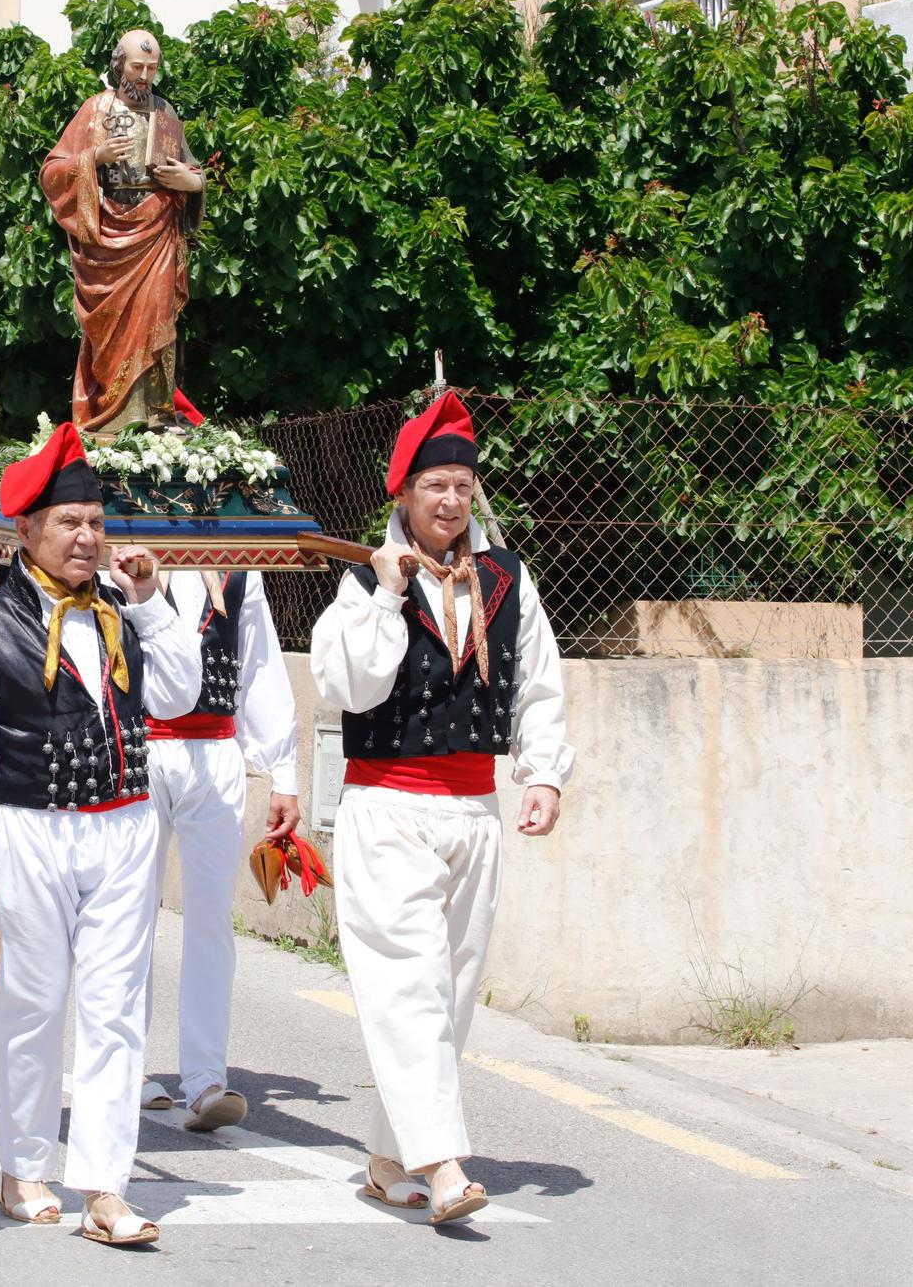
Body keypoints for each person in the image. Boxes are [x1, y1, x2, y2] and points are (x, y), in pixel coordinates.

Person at [0, 421, 199, 1246]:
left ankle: (105, 1185)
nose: (87, 537)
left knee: (117, 1011)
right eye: (69, 522)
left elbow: (181, 695)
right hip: (28, 831)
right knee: (35, 1006)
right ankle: (21, 1166)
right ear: (26, 529)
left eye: (95, 521)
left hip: (122, 828)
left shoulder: (123, 613)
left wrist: (152, 603)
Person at [309, 389, 574, 1224]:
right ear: (404, 495)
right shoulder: (360, 584)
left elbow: (538, 681)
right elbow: (348, 683)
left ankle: (391, 1159)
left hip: (473, 810)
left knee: (452, 992)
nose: (452, 500)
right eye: (436, 486)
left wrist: (543, 773)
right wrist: (388, 596)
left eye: (462, 484)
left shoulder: (507, 578)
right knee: (407, 985)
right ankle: (444, 1163)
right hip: (388, 809)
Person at [136, 563, 301, 1129]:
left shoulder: (236, 565)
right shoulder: (118, 543)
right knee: (129, 913)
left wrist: (284, 773)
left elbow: (259, 663)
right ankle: (126, 1064)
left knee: (211, 917)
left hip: (215, 748)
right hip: (137, 748)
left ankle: (206, 1077)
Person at [39, 29, 206, 433]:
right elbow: (51, 171)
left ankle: (157, 412)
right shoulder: (95, 110)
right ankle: (114, 417)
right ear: (120, 65)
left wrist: (192, 183)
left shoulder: (166, 113)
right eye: (137, 66)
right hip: (109, 239)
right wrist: (93, 156)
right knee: (114, 330)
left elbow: (194, 171)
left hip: (158, 230)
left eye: (152, 68)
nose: (145, 76)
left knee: (157, 318)